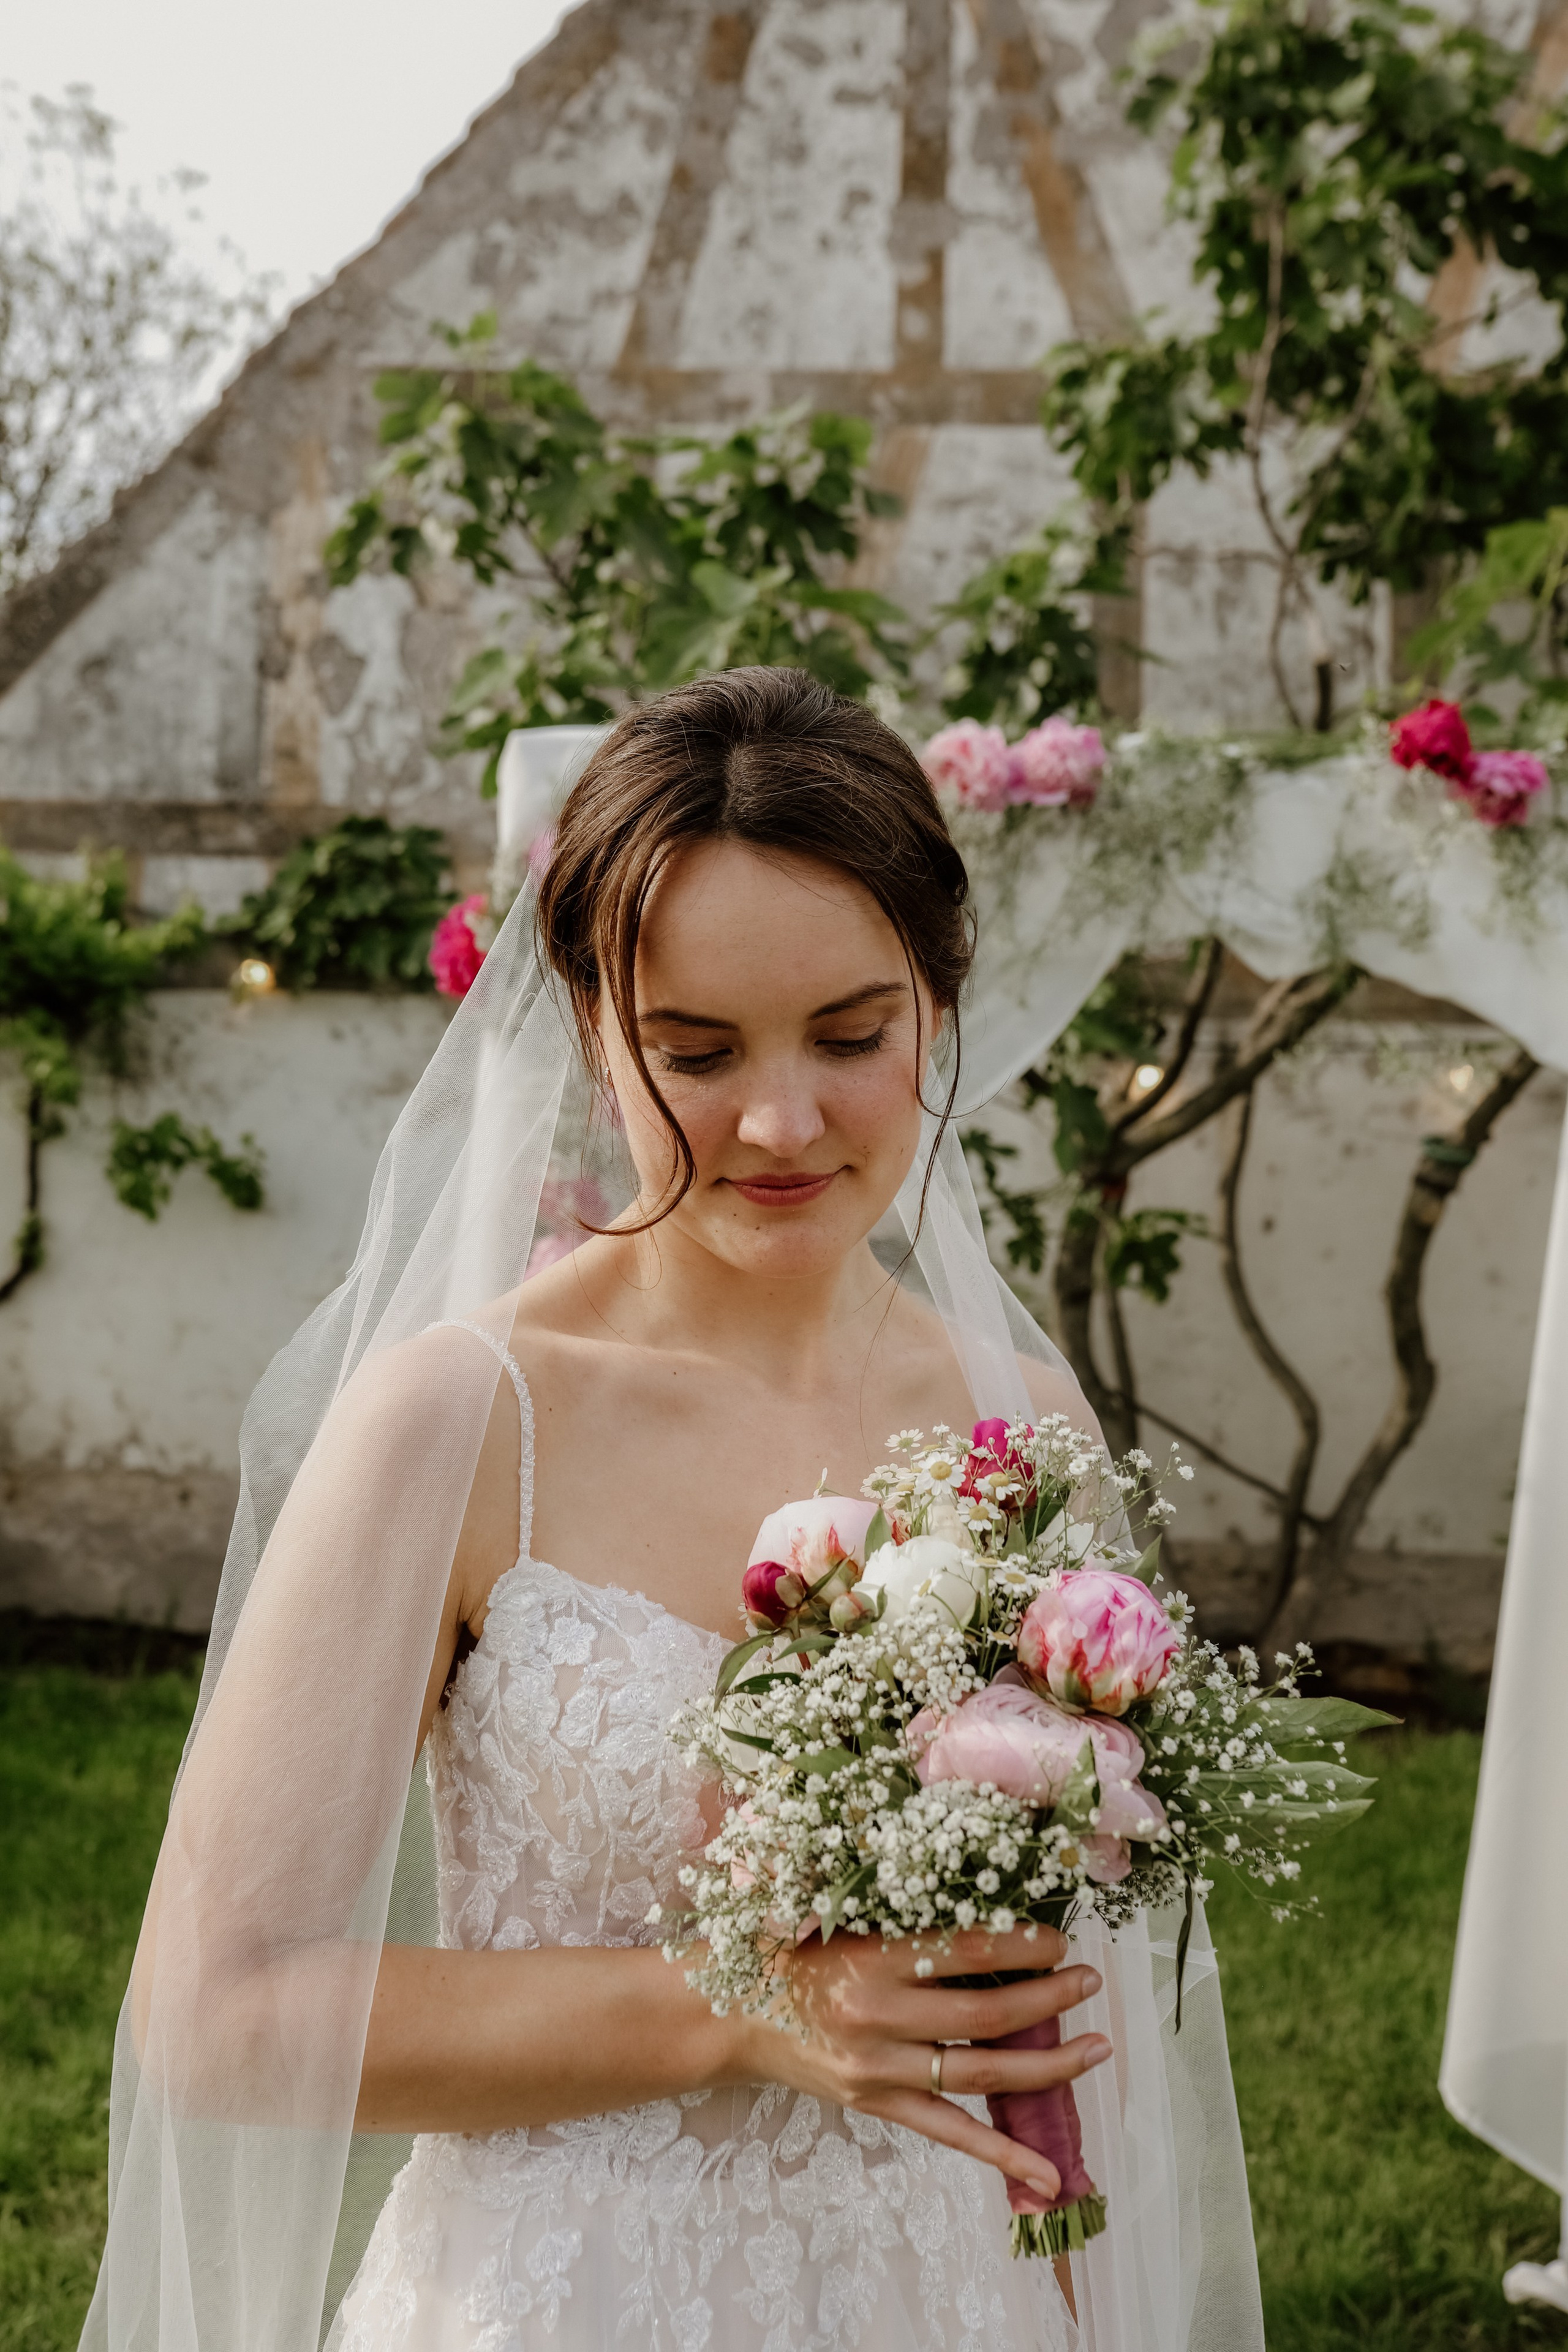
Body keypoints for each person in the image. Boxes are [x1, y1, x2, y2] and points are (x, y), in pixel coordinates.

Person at [84, 668, 1262, 2352]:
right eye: (696, 1051)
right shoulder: (460, 1421)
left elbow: (1056, 2015)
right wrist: (743, 2008)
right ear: (588, 1029)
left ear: (937, 1004)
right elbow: (220, 2016)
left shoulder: (1027, 1429)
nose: (781, 1120)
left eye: (853, 1036)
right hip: (577, 2298)